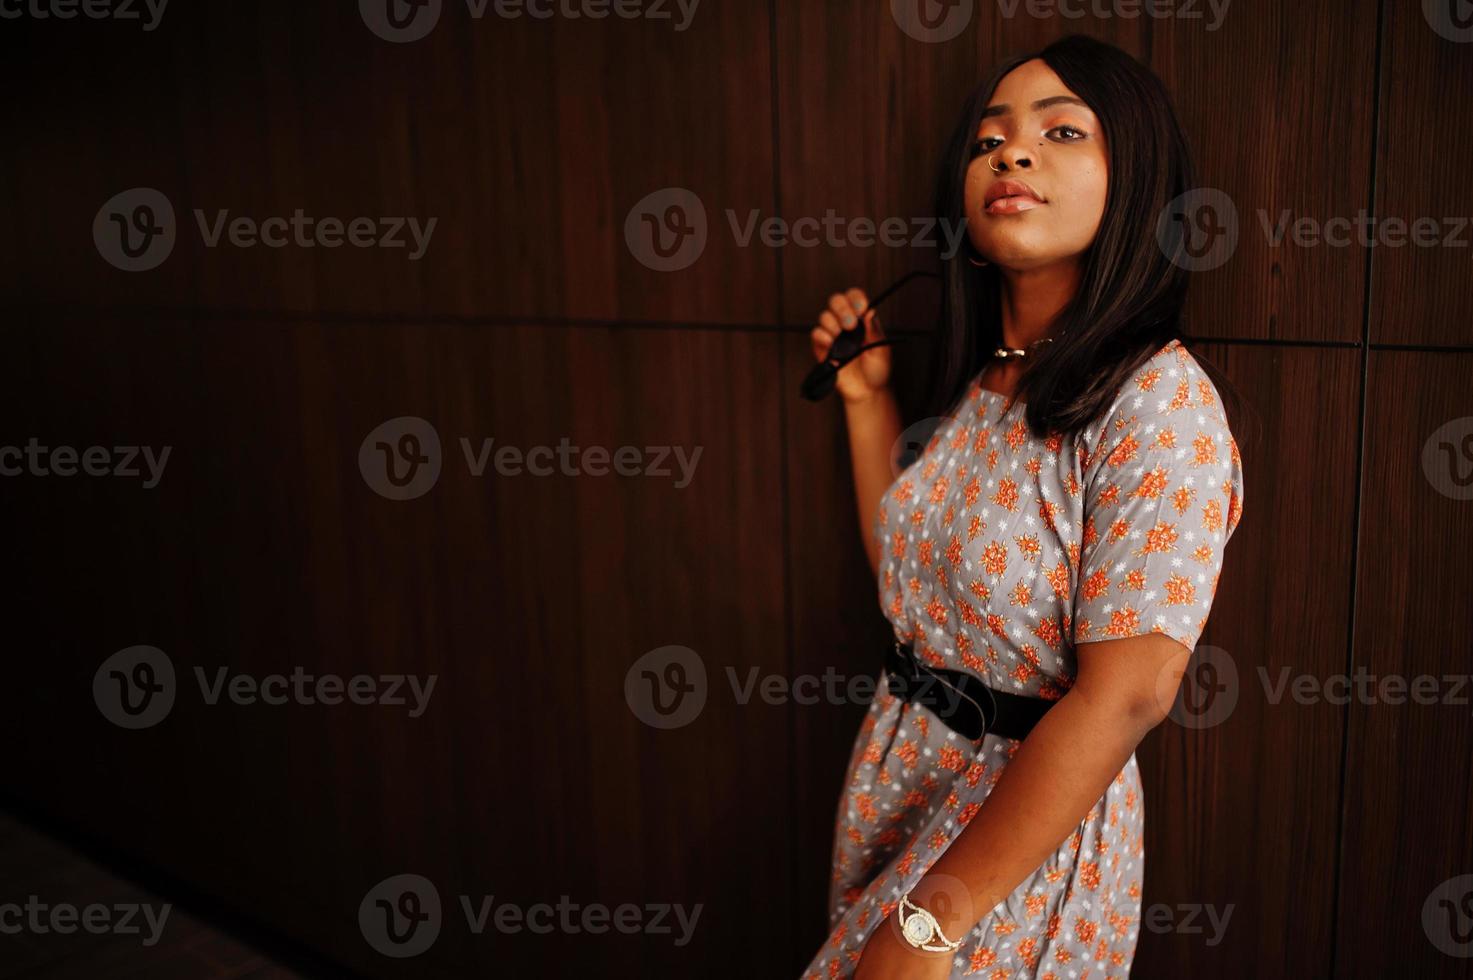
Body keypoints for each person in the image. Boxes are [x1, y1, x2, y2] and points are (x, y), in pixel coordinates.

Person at [802, 34, 1246, 979]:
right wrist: (866, 400)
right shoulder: (991, 380)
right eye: (989, 138)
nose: (1010, 153)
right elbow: (914, 589)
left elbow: (1127, 696)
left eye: (1061, 131)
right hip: (907, 783)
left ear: (1134, 179)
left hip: (1013, 845)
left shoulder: (1158, 403)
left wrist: (930, 927)